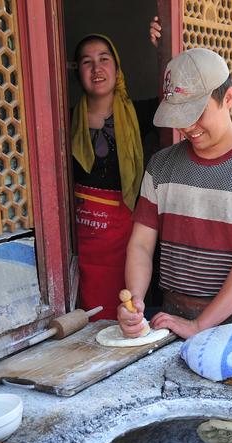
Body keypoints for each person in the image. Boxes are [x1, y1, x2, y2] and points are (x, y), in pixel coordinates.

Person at [117, 48, 232, 339]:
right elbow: (141, 246)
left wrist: (200, 325)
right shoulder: (161, 166)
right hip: (172, 318)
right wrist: (134, 302)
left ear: (229, 98)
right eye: (180, 115)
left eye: (196, 113)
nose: (187, 127)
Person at [70, 33, 160, 318]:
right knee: (87, 307)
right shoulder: (64, 118)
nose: (96, 69)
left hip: (126, 236)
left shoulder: (139, 114)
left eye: (104, 60)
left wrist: (163, 46)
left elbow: (176, 97)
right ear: (78, 73)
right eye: (87, 62)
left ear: (117, 69)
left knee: (125, 305)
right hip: (83, 237)